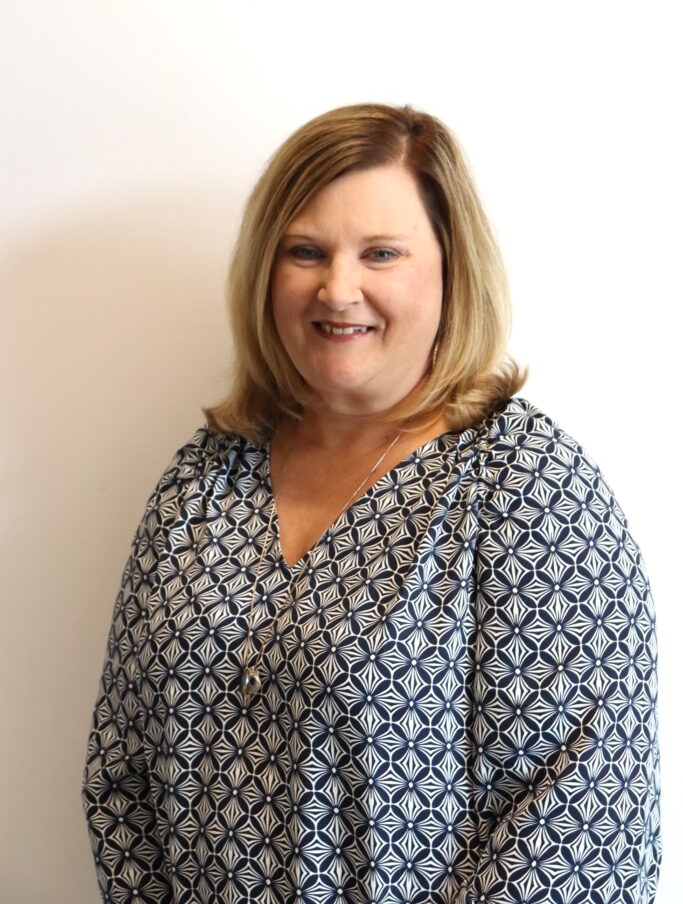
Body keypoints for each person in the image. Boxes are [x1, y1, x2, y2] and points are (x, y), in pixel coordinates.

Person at [82, 103, 661, 904]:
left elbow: (580, 822)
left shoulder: (526, 489)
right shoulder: (202, 482)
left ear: (450, 268)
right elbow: (121, 772)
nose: (337, 287)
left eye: (380, 253)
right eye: (305, 251)